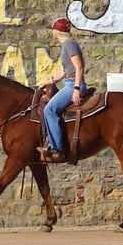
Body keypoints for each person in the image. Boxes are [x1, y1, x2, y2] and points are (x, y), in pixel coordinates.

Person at [37, 17, 87, 163]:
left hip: (73, 85)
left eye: (52, 29)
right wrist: (49, 81)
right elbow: (65, 71)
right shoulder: (66, 45)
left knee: (49, 110)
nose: (52, 32)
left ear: (57, 31)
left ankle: (57, 150)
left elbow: (79, 67)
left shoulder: (69, 44)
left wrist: (76, 89)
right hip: (69, 82)